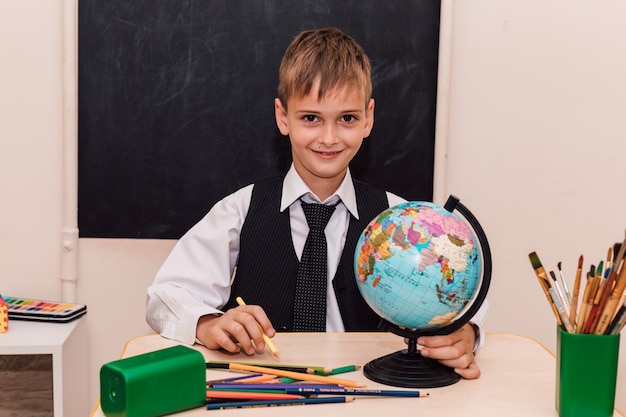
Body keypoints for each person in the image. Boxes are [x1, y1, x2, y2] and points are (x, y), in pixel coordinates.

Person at [146, 27, 488, 379]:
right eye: (311, 118)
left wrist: (467, 333)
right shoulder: (240, 209)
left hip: (371, 395)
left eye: (347, 119)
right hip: (267, 389)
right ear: (283, 117)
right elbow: (166, 296)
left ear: (368, 118)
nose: (328, 138)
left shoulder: (401, 220)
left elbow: (464, 295)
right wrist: (207, 322)